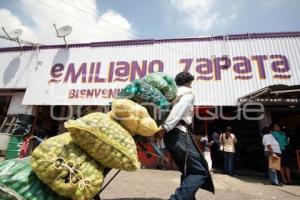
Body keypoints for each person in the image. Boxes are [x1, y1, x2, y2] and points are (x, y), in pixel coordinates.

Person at [155, 72, 214, 200]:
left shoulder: (171, 94)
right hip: (179, 133)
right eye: (191, 83)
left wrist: (164, 128)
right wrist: (165, 127)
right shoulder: (188, 92)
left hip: (170, 137)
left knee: (189, 171)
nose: (191, 85)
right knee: (199, 171)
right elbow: (179, 110)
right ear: (188, 82)